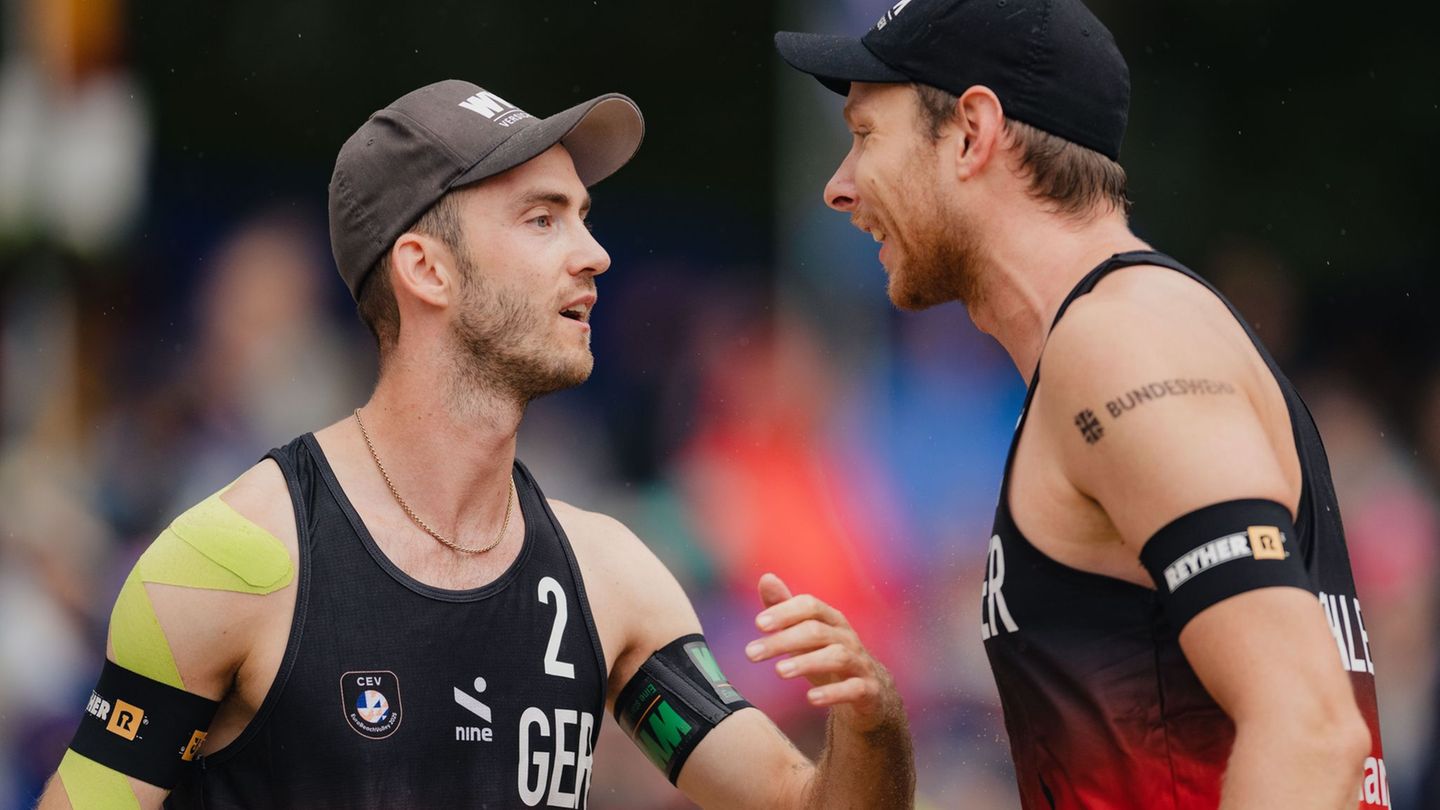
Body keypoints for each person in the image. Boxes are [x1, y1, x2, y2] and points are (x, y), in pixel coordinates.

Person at [35, 80, 914, 809]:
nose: (596, 253)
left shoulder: (608, 581)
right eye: (543, 220)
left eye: (585, 216)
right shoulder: (234, 561)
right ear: (427, 268)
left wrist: (873, 726)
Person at [774, 1, 1387, 808]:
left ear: (972, 131)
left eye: (863, 135)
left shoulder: (1122, 347)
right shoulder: (1115, 343)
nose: (838, 187)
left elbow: (1311, 729)